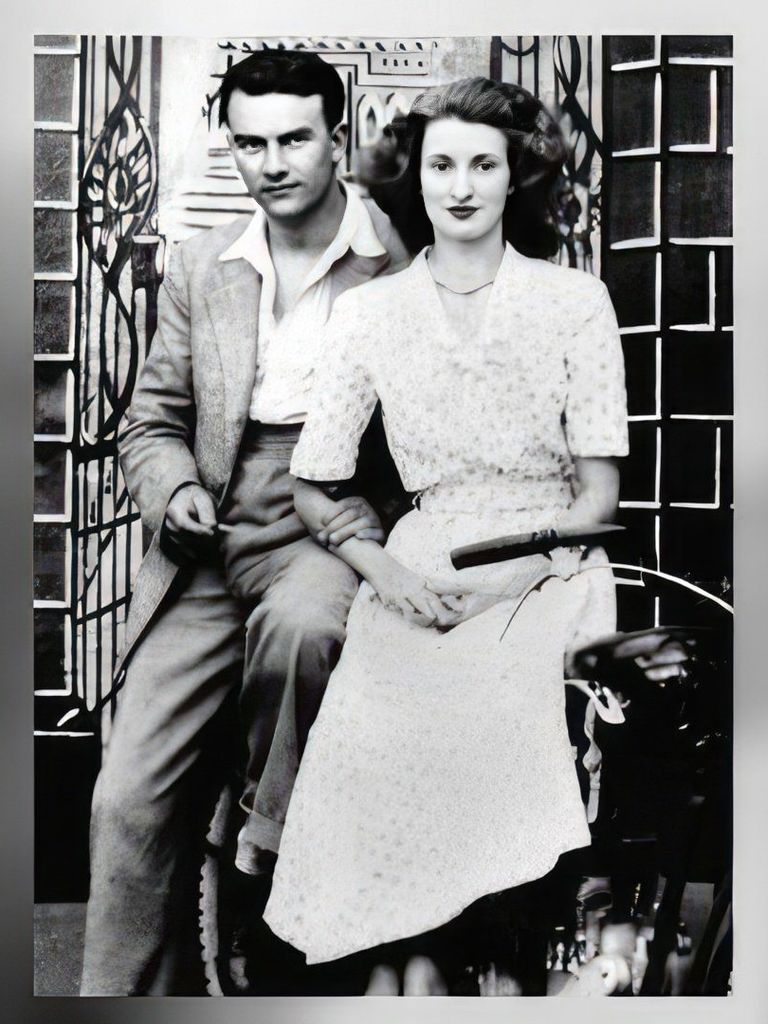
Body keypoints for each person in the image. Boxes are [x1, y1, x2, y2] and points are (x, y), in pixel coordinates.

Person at [260, 77, 629, 994]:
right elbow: (313, 483)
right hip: (422, 564)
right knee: (372, 721)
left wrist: (517, 579)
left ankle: (456, 962)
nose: (461, 187)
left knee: (495, 707)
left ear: (517, 177)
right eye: (441, 166)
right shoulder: (369, 313)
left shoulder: (575, 301)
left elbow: (599, 497)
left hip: (551, 564)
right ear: (412, 177)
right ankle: (406, 964)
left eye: (483, 165)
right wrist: (385, 573)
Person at [80, 50, 409, 996]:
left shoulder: (402, 262)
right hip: (208, 537)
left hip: (329, 525)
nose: (272, 164)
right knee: (127, 796)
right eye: (250, 144)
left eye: (294, 140)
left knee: (305, 633)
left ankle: (272, 886)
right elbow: (150, 422)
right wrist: (173, 487)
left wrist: (380, 515)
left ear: (337, 139)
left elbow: (438, 430)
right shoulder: (202, 264)